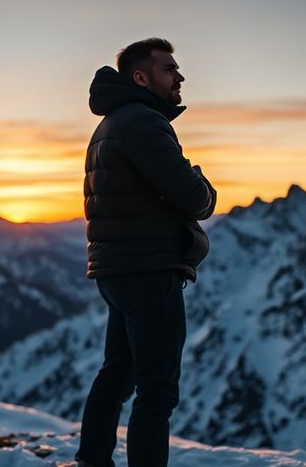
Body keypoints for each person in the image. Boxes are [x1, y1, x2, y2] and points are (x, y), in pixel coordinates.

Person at [75, 38, 217, 467]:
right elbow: (194, 199)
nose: (180, 77)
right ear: (141, 77)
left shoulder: (112, 123)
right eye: (169, 69)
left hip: (118, 270)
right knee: (156, 392)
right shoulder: (145, 124)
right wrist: (201, 180)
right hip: (149, 270)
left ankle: (92, 460)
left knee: (116, 374)